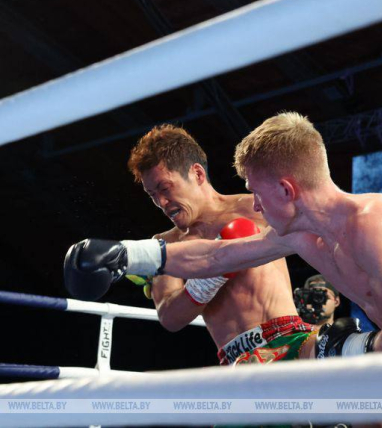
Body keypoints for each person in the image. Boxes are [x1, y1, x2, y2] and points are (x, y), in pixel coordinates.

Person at [65, 113, 382, 358]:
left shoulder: (372, 221)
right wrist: (127, 254)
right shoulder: (297, 235)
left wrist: (340, 351)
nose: (255, 206)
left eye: (256, 192)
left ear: (286, 190)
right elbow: (212, 259)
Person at [67, 124, 316, 366]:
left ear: (197, 174)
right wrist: (207, 280)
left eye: (165, 188)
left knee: (332, 347)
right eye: (152, 195)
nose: (162, 202)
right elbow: (169, 317)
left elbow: (317, 231)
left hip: (288, 339)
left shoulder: (254, 207)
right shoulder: (165, 245)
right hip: (237, 361)